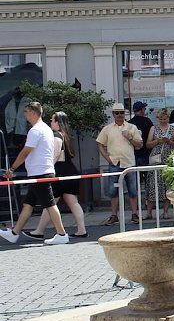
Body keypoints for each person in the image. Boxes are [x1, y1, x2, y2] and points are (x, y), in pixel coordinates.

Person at [0, 102, 69, 245]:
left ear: (33, 112)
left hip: (40, 173)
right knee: (28, 204)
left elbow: (25, 152)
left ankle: (62, 234)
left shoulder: (36, 130)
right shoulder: (45, 129)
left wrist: (12, 169)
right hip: (40, 172)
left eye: (26, 111)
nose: (24, 114)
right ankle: (14, 233)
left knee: (50, 204)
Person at [26, 111, 88, 239]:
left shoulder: (57, 136)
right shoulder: (66, 135)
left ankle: (39, 230)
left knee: (50, 203)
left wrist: (49, 169)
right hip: (69, 171)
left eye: (52, 120)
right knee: (72, 203)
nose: (50, 122)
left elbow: (54, 154)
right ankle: (81, 230)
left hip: (59, 173)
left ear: (57, 122)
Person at [95, 103, 143, 226]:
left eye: (121, 112)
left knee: (133, 190)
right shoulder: (107, 128)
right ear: (113, 114)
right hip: (114, 162)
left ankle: (134, 214)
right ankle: (114, 215)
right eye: (117, 113)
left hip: (129, 162)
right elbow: (99, 143)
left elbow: (140, 144)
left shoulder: (132, 127)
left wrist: (130, 138)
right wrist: (107, 157)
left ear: (125, 113)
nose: (120, 115)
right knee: (113, 191)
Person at [144, 108, 174, 220]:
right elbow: (148, 144)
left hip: (168, 158)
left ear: (168, 118)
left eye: (165, 119)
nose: (163, 121)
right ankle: (149, 212)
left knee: (167, 186)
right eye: (161, 119)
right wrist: (157, 141)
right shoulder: (153, 128)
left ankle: (165, 212)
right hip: (156, 159)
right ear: (158, 119)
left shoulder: (173, 128)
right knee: (152, 185)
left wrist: (169, 141)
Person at [128, 101, 153, 168]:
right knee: (145, 175)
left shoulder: (129, 123)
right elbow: (153, 135)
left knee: (136, 176)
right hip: (146, 154)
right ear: (142, 110)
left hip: (133, 154)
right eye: (144, 109)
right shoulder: (147, 121)